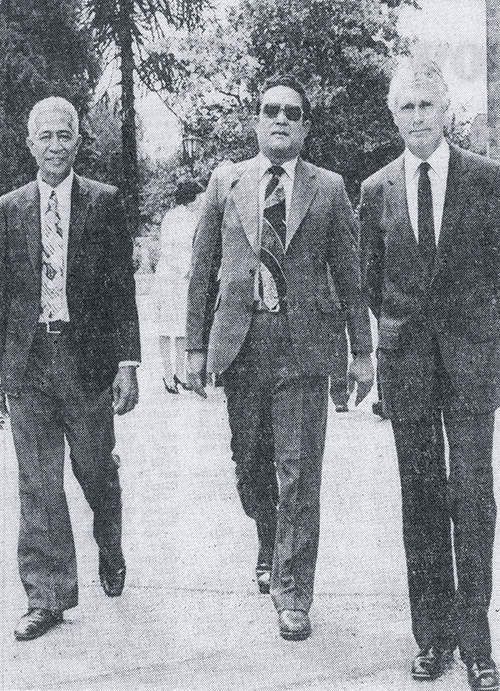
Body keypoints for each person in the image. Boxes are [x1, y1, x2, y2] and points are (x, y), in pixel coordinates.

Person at [186, 74, 374, 641]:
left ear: (306, 126)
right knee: (251, 465)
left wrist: (361, 353)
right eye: (272, 110)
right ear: (257, 120)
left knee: (299, 474)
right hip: (242, 348)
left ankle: (293, 593)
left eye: (293, 113)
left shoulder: (330, 188)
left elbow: (350, 274)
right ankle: (268, 537)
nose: (282, 120)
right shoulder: (226, 182)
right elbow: (201, 273)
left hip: (303, 351)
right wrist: (195, 347)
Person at [360, 59, 500, 691]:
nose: (416, 117)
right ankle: (432, 639)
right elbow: (373, 285)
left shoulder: (488, 180)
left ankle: (479, 646)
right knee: (419, 501)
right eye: (405, 108)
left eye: (425, 105)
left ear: (447, 110)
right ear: (394, 116)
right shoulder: (377, 189)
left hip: (472, 364)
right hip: (409, 367)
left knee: (471, 497)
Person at [0, 97, 141, 641]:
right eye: (46, 136)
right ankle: (47, 595)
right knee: (37, 482)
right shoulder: (8, 210)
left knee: (93, 469)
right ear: (29, 143)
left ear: (79, 143)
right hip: (28, 361)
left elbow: (121, 291)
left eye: (66, 135)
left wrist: (127, 364)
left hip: (86, 363)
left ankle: (109, 537)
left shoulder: (104, 204)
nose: (56, 145)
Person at [154, 179, 205, 393]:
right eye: (199, 197)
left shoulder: (195, 218)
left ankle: (181, 373)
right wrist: (184, 270)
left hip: (185, 279)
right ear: (191, 198)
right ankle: (167, 375)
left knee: (183, 327)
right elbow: (166, 249)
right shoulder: (171, 217)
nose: (202, 200)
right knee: (166, 328)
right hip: (169, 279)